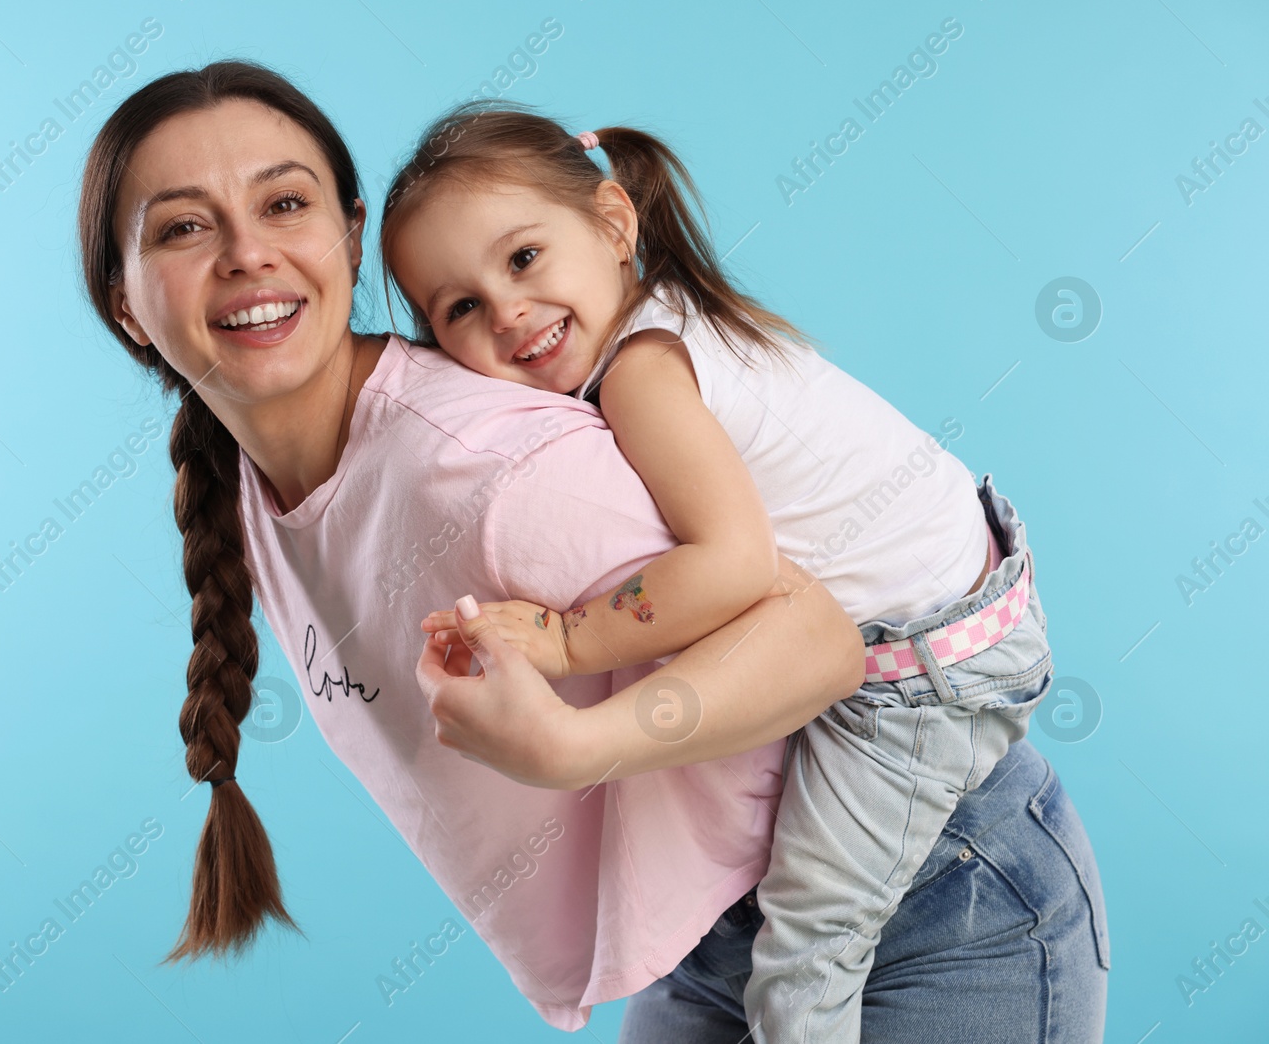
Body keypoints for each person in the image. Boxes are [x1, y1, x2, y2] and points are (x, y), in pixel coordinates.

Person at [75, 61, 1109, 1039]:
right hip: (708, 929)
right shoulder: (251, 468)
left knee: (807, 974)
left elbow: (817, 639)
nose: (246, 251)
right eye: (181, 227)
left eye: (283, 202)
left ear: (347, 241)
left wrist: (572, 711)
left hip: (936, 887)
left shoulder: (503, 460)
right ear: (124, 303)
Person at [379, 105, 1088, 1042]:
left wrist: (566, 636)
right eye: (460, 307)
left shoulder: (642, 372)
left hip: (914, 682)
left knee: (805, 960)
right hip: (962, 606)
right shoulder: (663, 320)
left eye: (522, 259)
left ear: (612, 223)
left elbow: (733, 562)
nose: (506, 311)